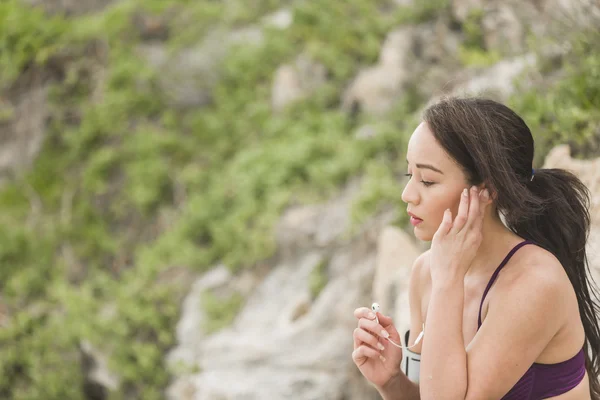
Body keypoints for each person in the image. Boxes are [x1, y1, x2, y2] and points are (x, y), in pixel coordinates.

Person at [352, 97, 600, 399]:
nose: (408, 194)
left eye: (428, 181)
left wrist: (448, 282)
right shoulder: (426, 272)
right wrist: (391, 381)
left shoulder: (534, 284)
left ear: (487, 190)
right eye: (409, 175)